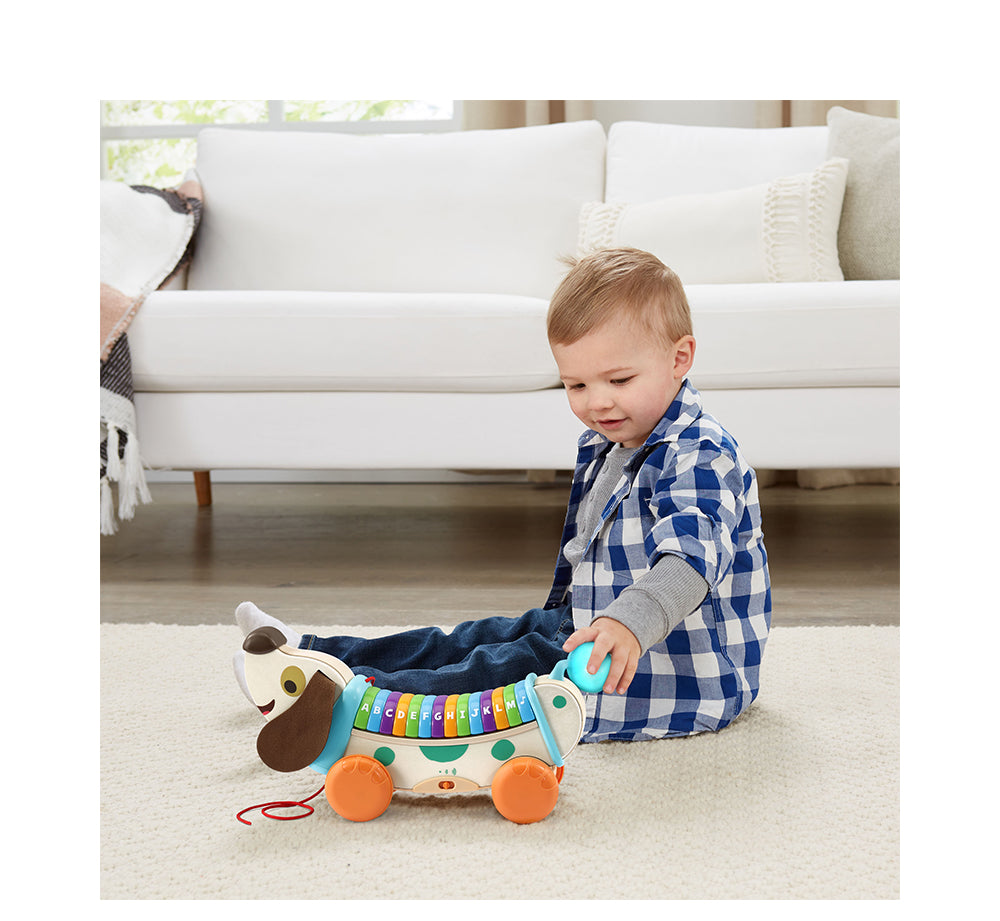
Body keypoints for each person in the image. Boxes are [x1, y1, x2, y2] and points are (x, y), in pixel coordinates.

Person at [235, 248, 770, 742]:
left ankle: (344, 703)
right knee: (466, 641)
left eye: (619, 380)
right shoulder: (614, 441)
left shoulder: (700, 454)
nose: (596, 402)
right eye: (576, 385)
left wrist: (628, 622)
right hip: (587, 623)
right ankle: (308, 656)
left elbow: (689, 561)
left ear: (680, 358)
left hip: (665, 669)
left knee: (485, 677)